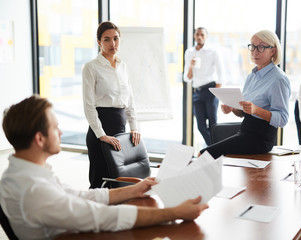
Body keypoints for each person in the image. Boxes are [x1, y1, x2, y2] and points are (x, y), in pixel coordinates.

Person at [0, 95, 208, 240]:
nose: (61, 133)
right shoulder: (33, 189)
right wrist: (176, 213)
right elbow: (103, 217)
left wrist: (134, 189)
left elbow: (80, 196)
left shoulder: (23, 172)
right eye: (55, 127)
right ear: (39, 138)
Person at [199, 30, 291, 159]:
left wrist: (256, 110)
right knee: (206, 155)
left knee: (204, 155)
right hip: (244, 133)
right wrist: (233, 108)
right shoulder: (251, 77)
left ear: (273, 50)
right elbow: (243, 113)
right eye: (253, 46)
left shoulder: (278, 79)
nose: (255, 51)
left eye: (261, 47)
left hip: (260, 139)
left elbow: (282, 119)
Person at [82, 21, 141, 188]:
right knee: (99, 181)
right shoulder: (91, 67)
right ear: (99, 42)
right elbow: (88, 105)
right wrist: (101, 135)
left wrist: (134, 127)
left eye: (116, 38)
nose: (112, 44)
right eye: (107, 39)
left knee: (118, 180)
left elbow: (130, 101)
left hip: (120, 129)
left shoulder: (123, 67)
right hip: (100, 129)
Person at [184, 27, 223, 146]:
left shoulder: (213, 51)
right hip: (197, 92)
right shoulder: (189, 52)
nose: (199, 37)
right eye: (197, 34)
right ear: (194, 36)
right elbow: (187, 78)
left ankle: (213, 150)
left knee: (213, 124)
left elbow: (221, 72)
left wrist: (218, 90)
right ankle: (215, 148)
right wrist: (191, 66)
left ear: (206, 37)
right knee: (200, 126)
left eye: (202, 34)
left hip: (210, 89)